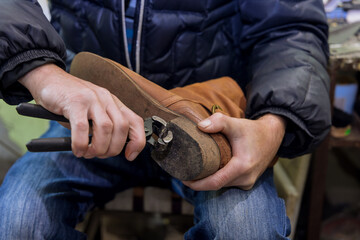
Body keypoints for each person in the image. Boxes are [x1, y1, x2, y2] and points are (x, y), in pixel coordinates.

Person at [0, 0, 331, 239]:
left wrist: (273, 126)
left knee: (248, 230)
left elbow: (291, 27)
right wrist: (42, 74)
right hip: (90, 118)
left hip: (206, 128)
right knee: (18, 222)